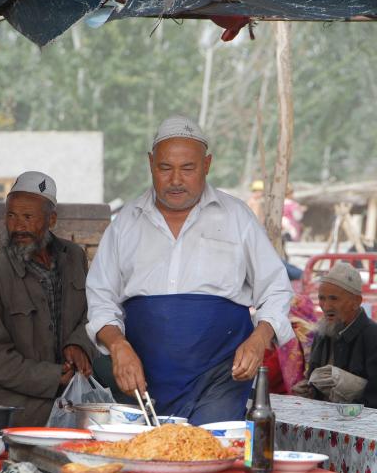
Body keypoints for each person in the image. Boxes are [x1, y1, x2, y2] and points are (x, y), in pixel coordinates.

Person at [86, 115, 293, 425]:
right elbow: (101, 299)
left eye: (188, 168)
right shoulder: (126, 222)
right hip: (142, 380)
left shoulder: (236, 217)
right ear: (150, 164)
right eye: (165, 168)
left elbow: (275, 288)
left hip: (220, 378)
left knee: (208, 457)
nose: (176, 180)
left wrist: (259, 338)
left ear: (206, 165)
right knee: (147, 463)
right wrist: (118, 346)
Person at [0, 171, 96, 426]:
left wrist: (78, 344)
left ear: (51, 219)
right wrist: (54, 377)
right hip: (12, 404)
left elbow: (93, 310)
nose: (17, 226)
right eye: (11, 215)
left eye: (28, 217)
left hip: (67, 395)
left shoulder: (74, 257)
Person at [292, 262, 377, 407]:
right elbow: (314, 381)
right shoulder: (322, 333)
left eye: (334, 299)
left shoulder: (372, 336)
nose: (326, 306)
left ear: (356, 302)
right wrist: (308, 390)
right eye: (322, 298)